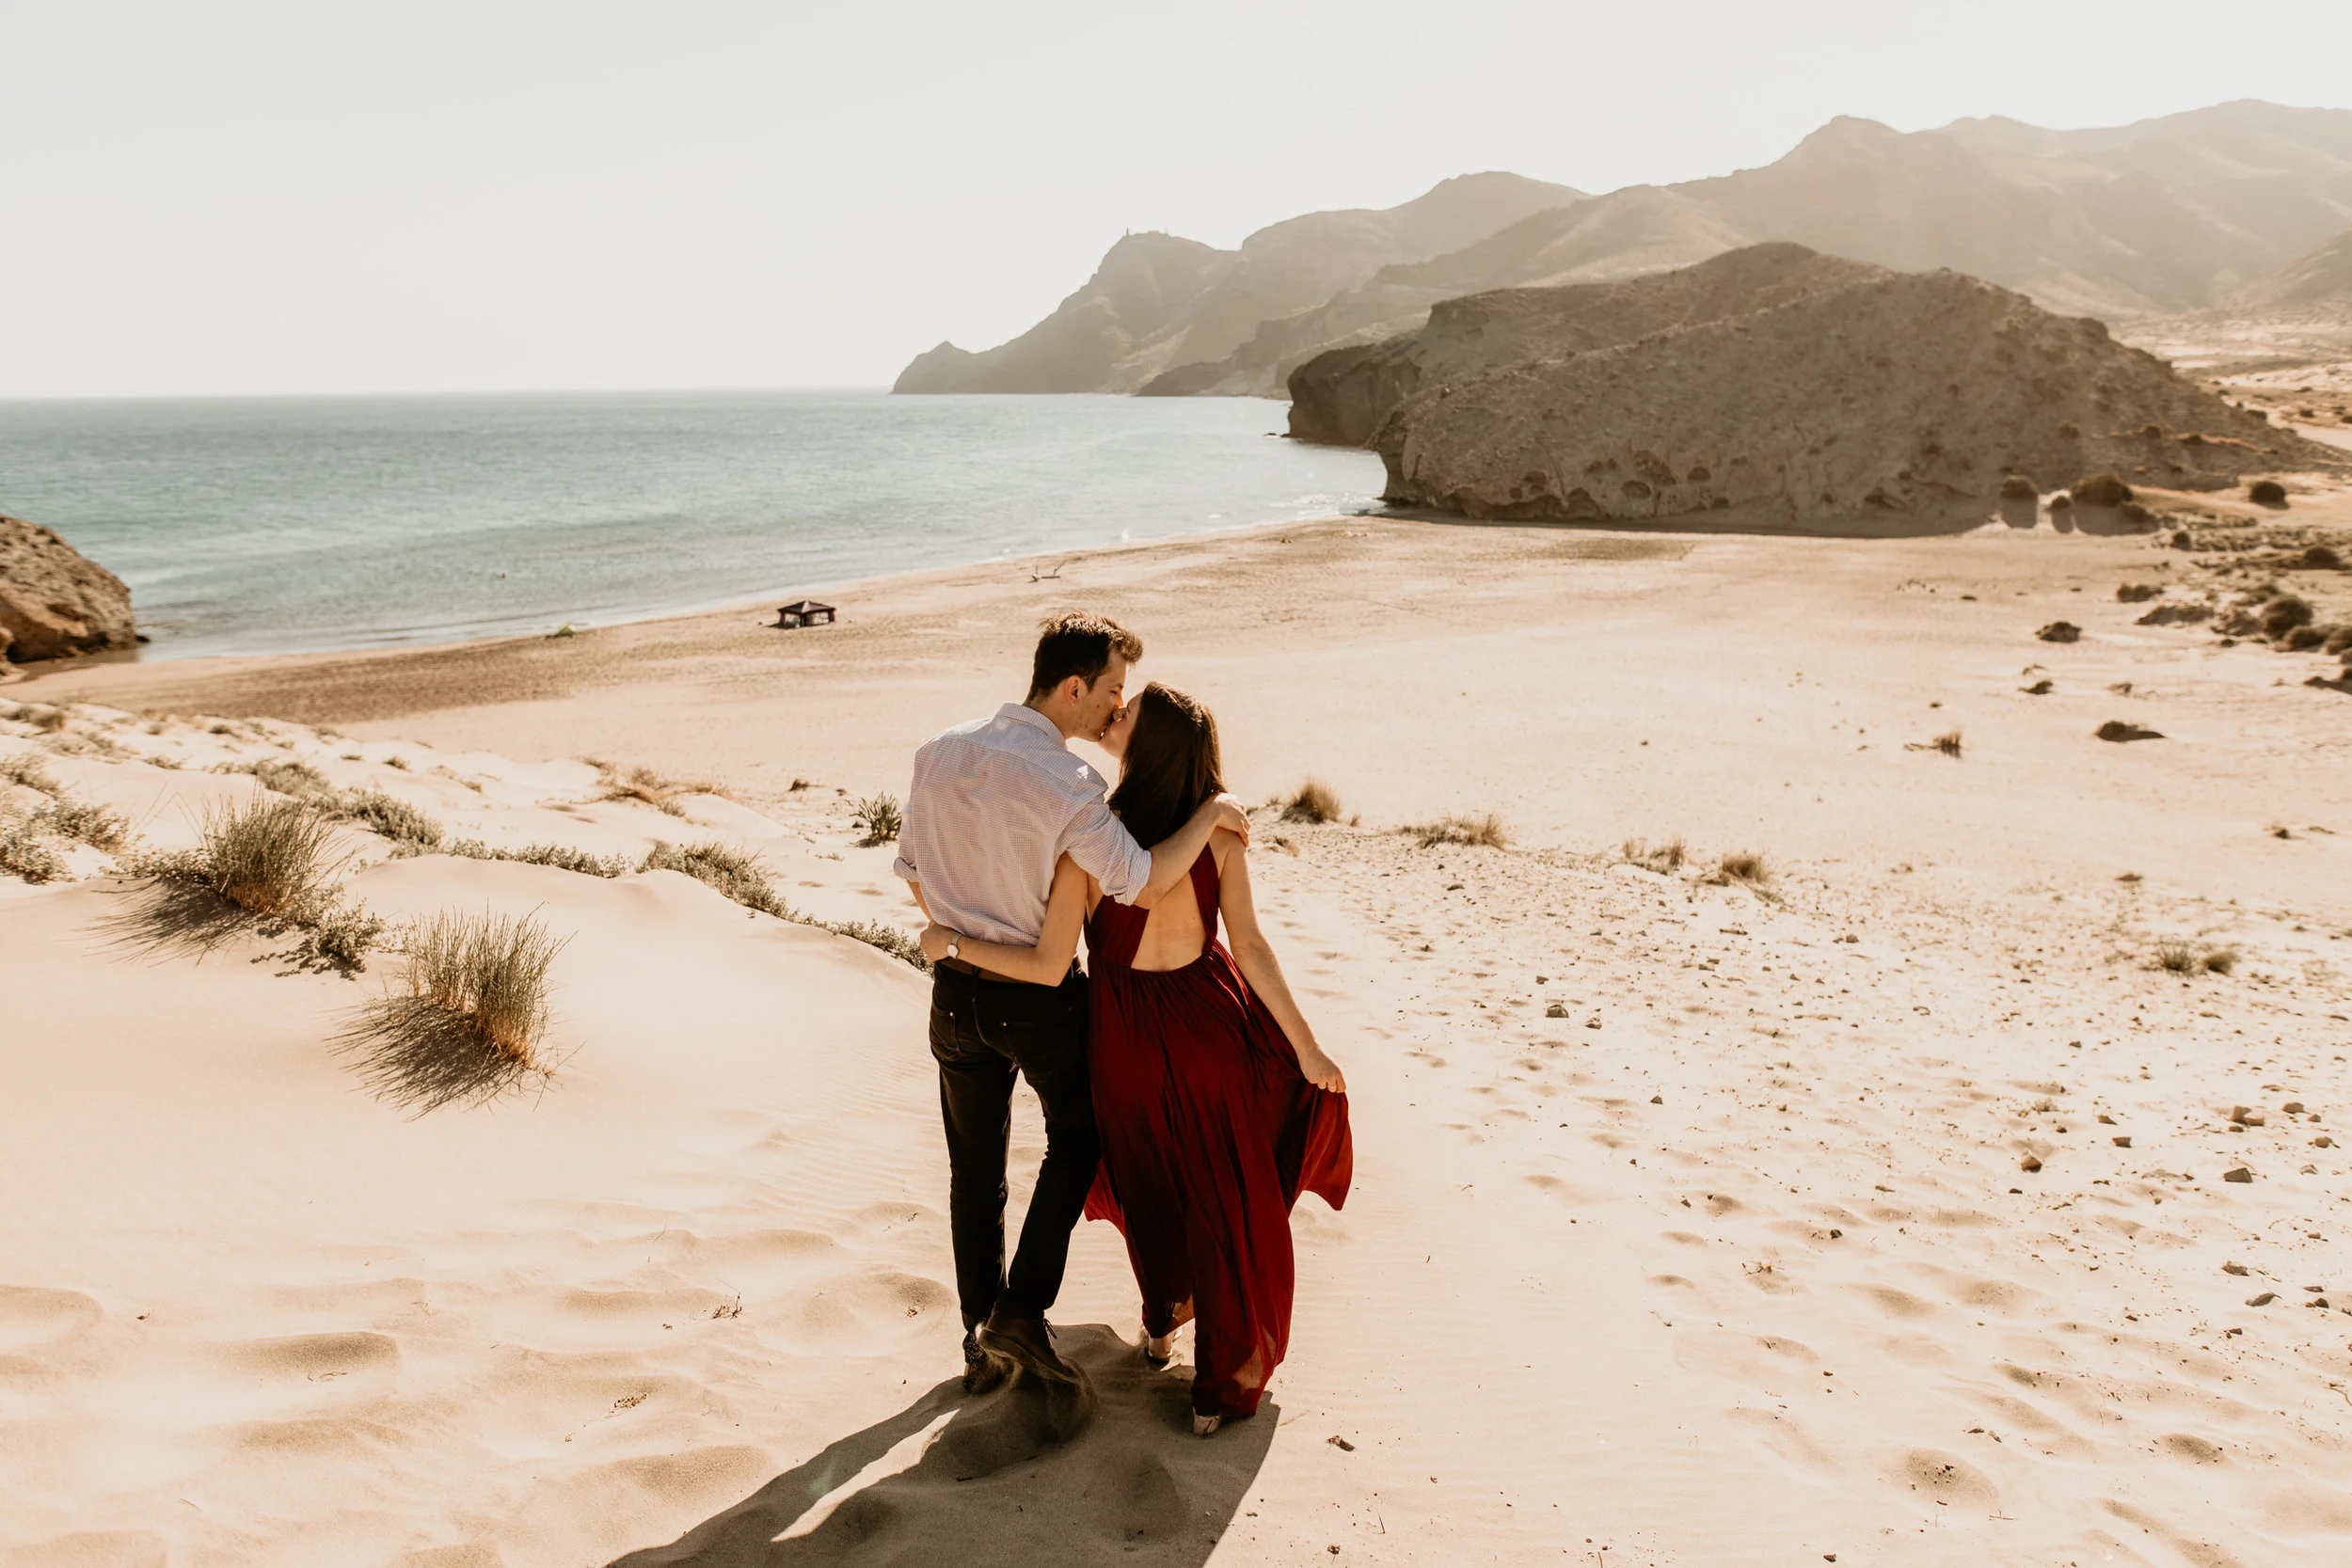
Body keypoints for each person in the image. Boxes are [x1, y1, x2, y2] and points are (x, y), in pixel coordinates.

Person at [919, 681, 1352, 1435]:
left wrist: (952, 941)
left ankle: (1160, 1323)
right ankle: (1218, 1385)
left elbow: (1054, 952)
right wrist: (1308, 1049)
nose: (1115, 716)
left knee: (1150, 1181)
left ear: (1144, 749)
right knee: (1222, 1192)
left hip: (1118, 1038)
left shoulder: (1088, 834)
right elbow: (1248, 947)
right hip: (1207, 1026)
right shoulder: (1219, 832)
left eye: (1129, 716)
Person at [894, 614, 1252, 1394]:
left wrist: (957, 934)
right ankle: (1020, 1310)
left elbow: (913, 872)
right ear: (1074, 687)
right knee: (1078, 1140)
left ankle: (977, 1340)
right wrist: (1211, 812)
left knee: (974, 1171)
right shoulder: (1071, 783)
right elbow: (1145, 881)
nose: (1114, 710)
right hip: (1039, 999)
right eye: (1113, 691)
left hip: (955, 997)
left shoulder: (938, 749)